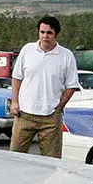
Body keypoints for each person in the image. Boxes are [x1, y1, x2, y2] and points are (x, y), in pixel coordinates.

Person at [10, 15, 80, 158]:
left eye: (49, 33)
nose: (45, 36)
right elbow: (17, 77)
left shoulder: (66, 56)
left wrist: (58, 109)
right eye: (42, 32)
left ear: (56, 34)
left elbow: (71, 86)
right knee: (15, 157)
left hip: (50, 117)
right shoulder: (27, 50)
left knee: (51, 161)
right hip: (24, 114)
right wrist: (15, 101)